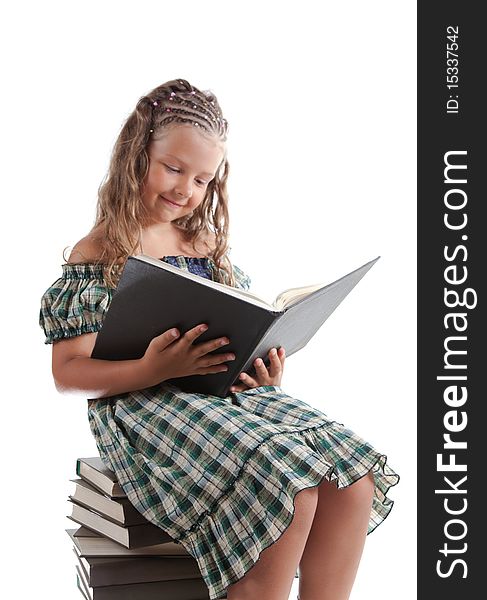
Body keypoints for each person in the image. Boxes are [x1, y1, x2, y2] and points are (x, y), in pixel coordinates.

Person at [39, 78, 399, 600]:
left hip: (226, 393)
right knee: (287, 483)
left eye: (203, 180)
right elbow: (67, 373)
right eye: (173, 168)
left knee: (353, 473)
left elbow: (236, 328)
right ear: (136, 154)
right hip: (143, 403)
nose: (185, 190)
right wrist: (152, 369)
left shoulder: (205, 244)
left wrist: (262, 366)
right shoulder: (99, 251)